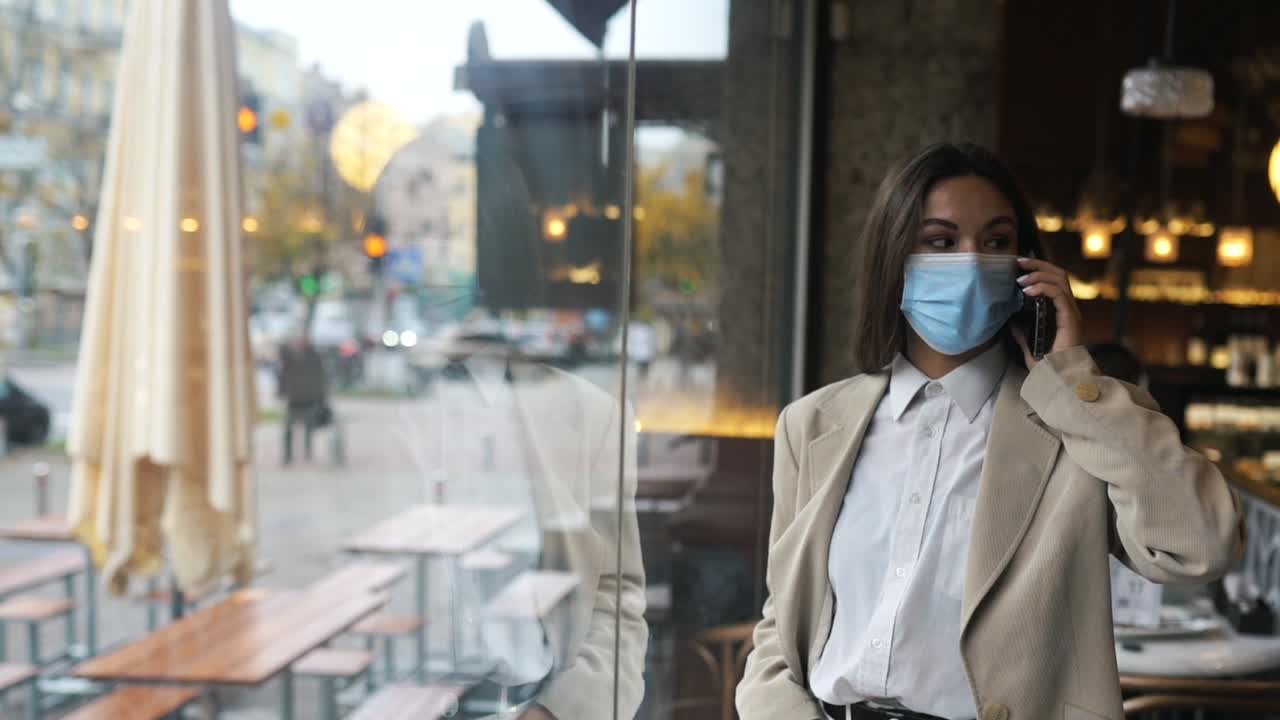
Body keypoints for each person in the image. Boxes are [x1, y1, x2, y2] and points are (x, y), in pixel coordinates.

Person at [737, 143, 1243, 720]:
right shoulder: (813, 425)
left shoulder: (1075, 427)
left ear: (1027, 265)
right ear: (895, 257)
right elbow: (783, 627)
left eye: (997, 242)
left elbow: (1205, 544)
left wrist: (1072, 378)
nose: (973, 262)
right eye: (942, 241)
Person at [277, 332, 329, 464]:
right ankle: (288, 456)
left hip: (309, 398)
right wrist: (282, 392)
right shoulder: (289, 356)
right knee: (288, 428)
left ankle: (307, 452)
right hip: (294, 399)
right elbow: (284, 373)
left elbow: (320, 378)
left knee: (308, 429)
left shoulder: (314, 356)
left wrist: (321, 397)